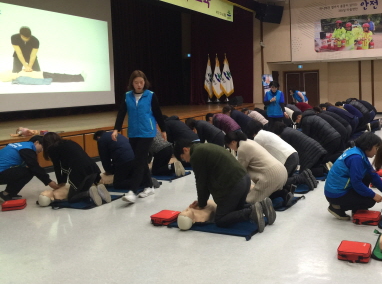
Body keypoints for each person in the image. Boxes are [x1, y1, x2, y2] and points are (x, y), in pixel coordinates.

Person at [174, 140, 275, 233]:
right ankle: (262, 205)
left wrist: (201, 204)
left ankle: (251, 212)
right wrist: (201, 202)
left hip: (234, 184)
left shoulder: (196, 155)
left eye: (183, 158)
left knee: (221, 219)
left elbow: (201, 183)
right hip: (244, 180)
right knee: (236, 209)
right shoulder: (204, 147)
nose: (186, 161)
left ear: (185, 149)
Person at [112, 70, 167, 203]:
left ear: (145, 82)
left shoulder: (151, 95)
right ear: (132, 83)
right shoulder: (127, 96)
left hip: (147, 131)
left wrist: (163, 129)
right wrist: (116, 129)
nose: (139, 85)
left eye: (141, 82)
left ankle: (132, 191)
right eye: (136, 82)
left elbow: (158, 113)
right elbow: (121, 113)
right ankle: (149, 186)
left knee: (139, 160)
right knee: (140, 160)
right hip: (133, 132)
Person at [324, 133, 382, 220]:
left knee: (367, 175)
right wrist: (373, 195)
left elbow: (373, 174)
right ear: (368, 146)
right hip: (336, 194)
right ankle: (337, 207)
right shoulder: (356, 158)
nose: (377, 151)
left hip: (338, 189)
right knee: (370, 201)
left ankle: (356, 207)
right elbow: (356, 183)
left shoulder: (358, 152)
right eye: (376, 148)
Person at [42, 132, 110, 206]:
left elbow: (57, 167)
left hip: (79, 171)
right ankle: (97, 189)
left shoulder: (52, 149)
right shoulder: (69, 142)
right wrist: (63, 182)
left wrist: (61, 183)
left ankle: (89, 193)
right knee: (83, 188)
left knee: (72, 198)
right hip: (93, 168)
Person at [224, 131, 289, 205]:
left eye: (229, 146)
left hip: (271, 176)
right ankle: (283, 193)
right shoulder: (249, 141)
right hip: (282, 171)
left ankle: (280, 195)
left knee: (248, 201)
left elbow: (240, 172)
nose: (231, 148)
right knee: (267, 193)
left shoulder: (242, 149)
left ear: (233, 142)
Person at [248, 122, 316, 191]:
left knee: (277, 183)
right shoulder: (266, 132)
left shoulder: (257, 138)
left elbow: (258, 156)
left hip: (288, 158)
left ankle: (301, 177)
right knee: (286, 177)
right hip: (293, 154)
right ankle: (305, 175)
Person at [0, 136, 59, 202]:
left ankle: (10, 193)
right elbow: (34, 167)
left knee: (25, 170)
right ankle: (6, 194)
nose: (41, 151)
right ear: (36, 142)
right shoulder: (27, 149)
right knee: (29, 172)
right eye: (42, 147)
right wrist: (49, 181)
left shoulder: (22, 145)